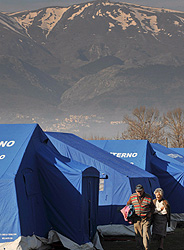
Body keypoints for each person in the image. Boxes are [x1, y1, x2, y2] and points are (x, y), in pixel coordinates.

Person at [127, 184, 154, 250]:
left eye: (140, 191)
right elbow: (128, 204)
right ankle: (139, 247)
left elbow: (152, 207)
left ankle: (146, 248)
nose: (139, 192)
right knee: (138, 234)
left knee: (146, 233)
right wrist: (129, 211)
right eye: (137, 191)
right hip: (136, 218)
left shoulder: (148, 197)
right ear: (135, 191)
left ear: (143, 190)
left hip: (146, 218)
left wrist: (150, 213)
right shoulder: (132, 197)